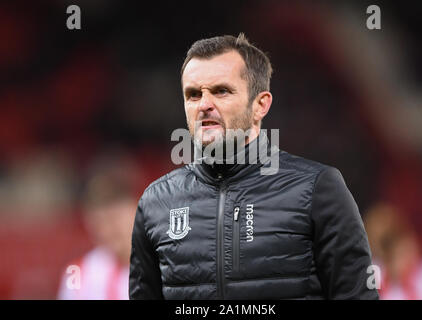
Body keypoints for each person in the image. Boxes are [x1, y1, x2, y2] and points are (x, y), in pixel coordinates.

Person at [129, 33, 379, 299]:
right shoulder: (156, 202)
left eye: (221, 91)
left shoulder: (318, 189)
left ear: (261, 104)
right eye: (192, 95)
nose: (203, 105)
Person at [58, 156, 137, 300]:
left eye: (113, 219)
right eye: (98, 223)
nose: (107, 231)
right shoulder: (78, 274)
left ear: (135, 209)